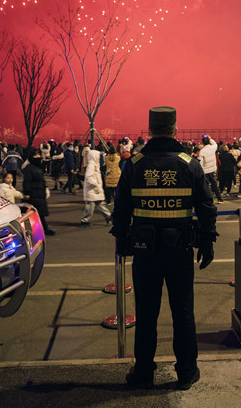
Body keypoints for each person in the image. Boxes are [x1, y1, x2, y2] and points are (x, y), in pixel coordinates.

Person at [111, 106, 217, 391]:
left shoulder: (135, 163)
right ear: (175, 129)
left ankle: (144, 372)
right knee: (183, 312)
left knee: (146, 314)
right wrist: (207, 242)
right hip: (180, 250)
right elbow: (206, 207)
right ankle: (186, 371)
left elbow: (120, 208)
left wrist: (122, 241)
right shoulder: (188, 163)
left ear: (150, 130)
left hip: (144, 252)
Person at [21, 149, 55, 235]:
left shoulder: (38, 167)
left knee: (39, 213)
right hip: (34, 194)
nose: (38, 157)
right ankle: (43, 230)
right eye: (36, 156)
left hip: (39, 193)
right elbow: (27, 181)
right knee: (35, 213)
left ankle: (42, 229)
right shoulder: (29, 168)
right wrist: (27, 192)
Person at [79, 149, 112, 227]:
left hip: (95, 191)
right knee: (90, 207)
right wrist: (96, 185)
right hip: (92, 190)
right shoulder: (91, 165)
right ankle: (84, 221)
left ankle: (108, 216)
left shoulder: (95, 165)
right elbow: (88, 178)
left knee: (100, 204)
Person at [198, 135, 223, 203]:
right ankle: (219, 198)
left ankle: (208, 199)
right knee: (214, 185)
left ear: (203, 143)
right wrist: (210, 138)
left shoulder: (202, 151)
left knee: (205, 186)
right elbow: (215, 143)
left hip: (205, 171)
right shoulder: (213, 148)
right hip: (212, 169)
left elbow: (200, 163)